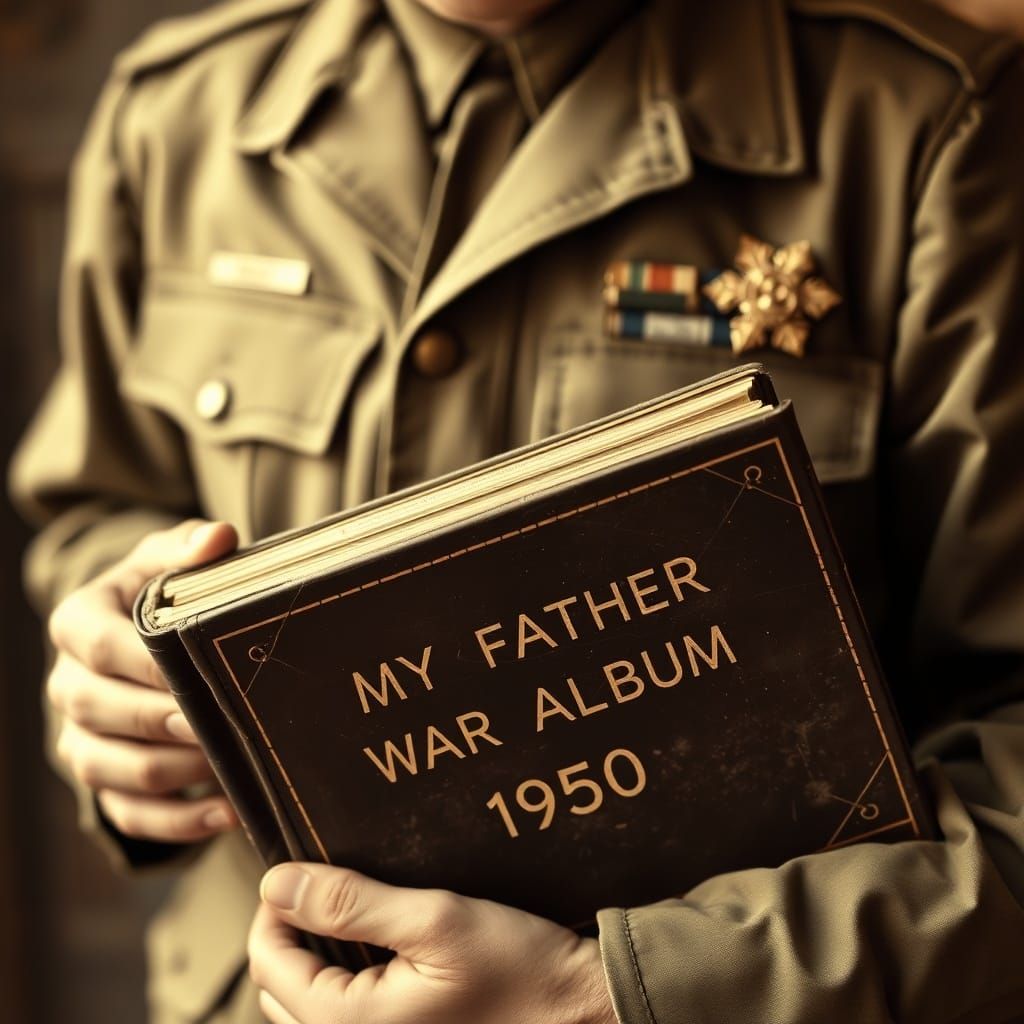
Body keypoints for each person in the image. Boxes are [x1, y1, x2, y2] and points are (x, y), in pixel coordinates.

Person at [9, 0, 1024, 1021]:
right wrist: (128, 695)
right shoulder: (178, 109)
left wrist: (628, 993)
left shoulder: (930, 129)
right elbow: (101, 508)